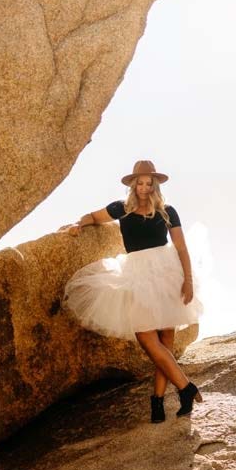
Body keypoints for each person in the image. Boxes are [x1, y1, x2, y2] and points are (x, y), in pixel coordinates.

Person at [60, 159, 203, 423]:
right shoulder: (121, 209)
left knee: (166, 343)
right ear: (133, 184)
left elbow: (182, 248)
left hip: (166, 274)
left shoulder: (167, 210)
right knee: (147, 338)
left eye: (150, 183)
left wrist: (189, 280)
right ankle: (186, 387)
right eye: (141, 182)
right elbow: (93, 216)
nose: (145, 188)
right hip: (137, 274)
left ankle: (158, 403)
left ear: (155, 185)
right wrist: (78, 224)